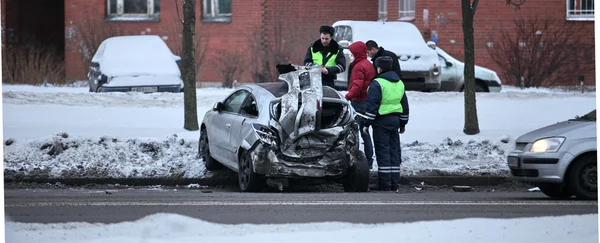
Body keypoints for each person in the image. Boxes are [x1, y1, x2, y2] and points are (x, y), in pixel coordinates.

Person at [363, 56, 410, 191]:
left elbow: (372, 106)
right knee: (394, 151)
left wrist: (367, 123)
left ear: (380, 68)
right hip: (395, 121)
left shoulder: (377, 83)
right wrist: (403, 123)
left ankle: (385, 184)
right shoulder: (399, 83)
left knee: (383, 151)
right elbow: (404, 105)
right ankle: (394, 182)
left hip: (381, 121)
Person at [344, 41, 376, 168]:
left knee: (355, 132)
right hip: (367, 101)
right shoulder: (368, 64)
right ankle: (369, 160)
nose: (351, 56)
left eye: (352, 53)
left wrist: (347, 97)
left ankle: (357, 159)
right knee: (366, 132)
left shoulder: (358, 67)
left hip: (358, 102)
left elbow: (357, 86)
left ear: (357, 53)